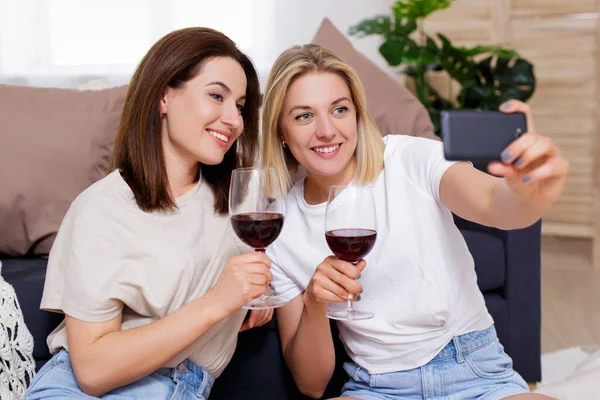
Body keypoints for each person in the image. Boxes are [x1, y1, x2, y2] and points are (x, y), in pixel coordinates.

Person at [261, 44, 567, 400]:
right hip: (377, 388)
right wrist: (315, 303)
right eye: (303, 116)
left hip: (476, 373)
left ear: (358, 114)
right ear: (281, 131)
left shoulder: (410, 157)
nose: (327, 130)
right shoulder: (281, 230)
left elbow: (496, 204)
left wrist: (529, 189)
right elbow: (311, 385)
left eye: (339, 109)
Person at [25, 27, 273, 399]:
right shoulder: (103, 209)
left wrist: (255, 291)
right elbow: (92, 371)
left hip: (184, 387)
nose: (234, 119)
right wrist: (217, 303)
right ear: (163, 96)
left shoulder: (239, 205)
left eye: (239, 106)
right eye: (216, 96)